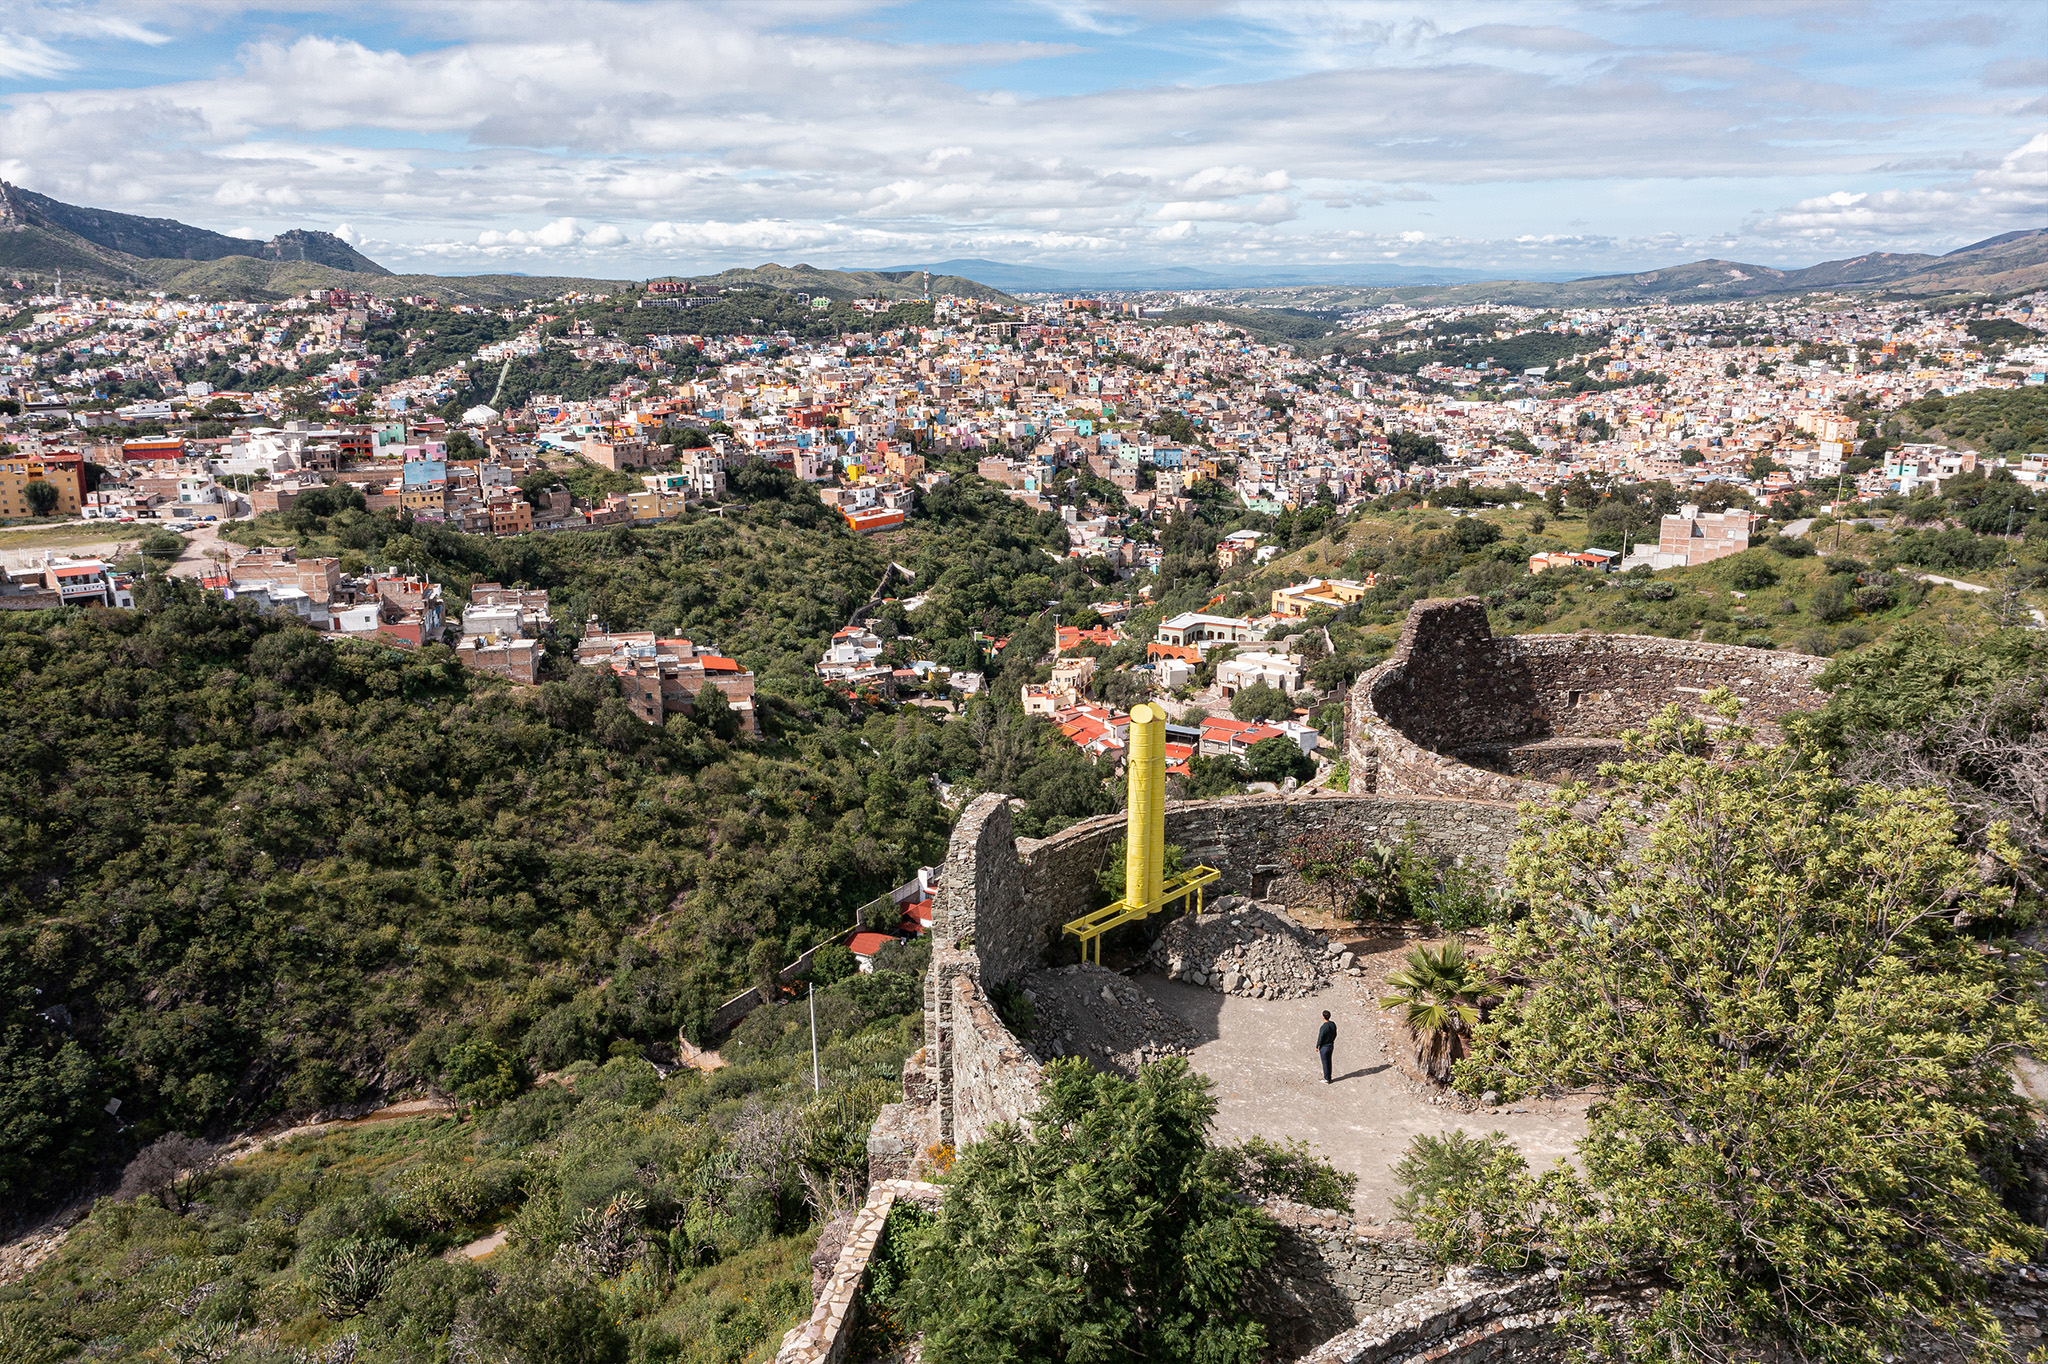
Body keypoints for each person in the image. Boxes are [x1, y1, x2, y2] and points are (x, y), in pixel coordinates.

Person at [1316, 1010, 1336, 1084]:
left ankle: (1326, 1078)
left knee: (1325, 1062)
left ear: (1323, 1017)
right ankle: (1329, 1077)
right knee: (1329, 1061)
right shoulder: (1332, 1024)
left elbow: (1320, 1037)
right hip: (1331, 1045)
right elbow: (1335, 1033)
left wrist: (1317, 1046)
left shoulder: (1323, 1027)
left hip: (1324, 1047)